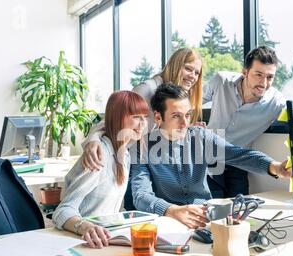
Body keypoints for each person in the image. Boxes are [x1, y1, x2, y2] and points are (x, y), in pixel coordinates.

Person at [131, 82, 291, 229]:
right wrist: (171, 210)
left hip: (206, 217)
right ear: (158, 117)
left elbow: (239, 154)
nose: (185, 123)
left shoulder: (200, 136)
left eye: (187, 115)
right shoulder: (142, 147)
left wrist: (274, 167)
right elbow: (141, 195)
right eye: (176, 116)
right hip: (169, 221)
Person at [81, 48, 204, 210]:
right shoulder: (147, 89)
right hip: (127, 160)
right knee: (133, 211)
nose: (193, 76)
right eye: (188, 68)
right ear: (174, 65)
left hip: (152, 162)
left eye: (197, 73)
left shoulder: (177, 96)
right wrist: (93, 140)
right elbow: (110, 120)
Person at [52, 91, 149, 248]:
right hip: (83, 241)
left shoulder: (124, 155)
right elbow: (63, 211)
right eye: (136, 117)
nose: (143, 123)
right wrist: (85, 227)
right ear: (119, 117)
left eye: (144, 117)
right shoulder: (99, 155)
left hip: (106, 240)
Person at [204, 46, 286, 198]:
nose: (264, 83)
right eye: (258, 75)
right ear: (245, 72)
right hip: (208, 159)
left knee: (240, 212)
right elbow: (193, 101)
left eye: (270, 77)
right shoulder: (221, 81)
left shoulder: (276, 102)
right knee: (210, 209)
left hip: (239, 163)